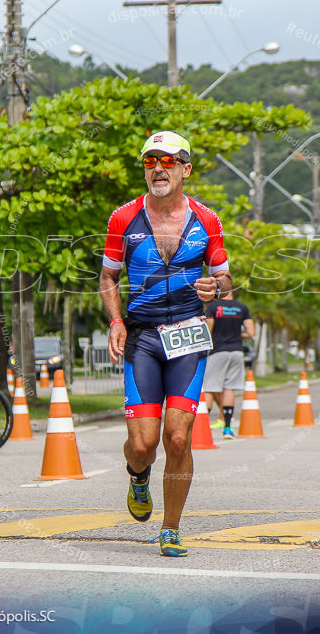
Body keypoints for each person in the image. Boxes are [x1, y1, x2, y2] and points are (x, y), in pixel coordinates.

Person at [100, 131, 229, 558]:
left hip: (189, 337)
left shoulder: (207, 220)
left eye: (168, 161)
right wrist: (116, 320)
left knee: (178, 438)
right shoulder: (123, 218)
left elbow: (226, 277)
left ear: (185, 169)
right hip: (142, 339)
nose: (158, 168)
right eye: (150, 160)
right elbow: (108, 278)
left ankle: (170, 529)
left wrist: (217, 286)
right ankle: (139, 476)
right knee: (142, 446)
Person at [201, 290, 255, 439]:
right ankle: (227, 429)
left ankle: (202, 429)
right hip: (237, 351)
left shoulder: (213, 306)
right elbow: (251, 332)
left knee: (210, 388)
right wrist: (238, 335)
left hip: (218, 351)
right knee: (229, 388)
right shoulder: (241, 307)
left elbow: (208, 330)